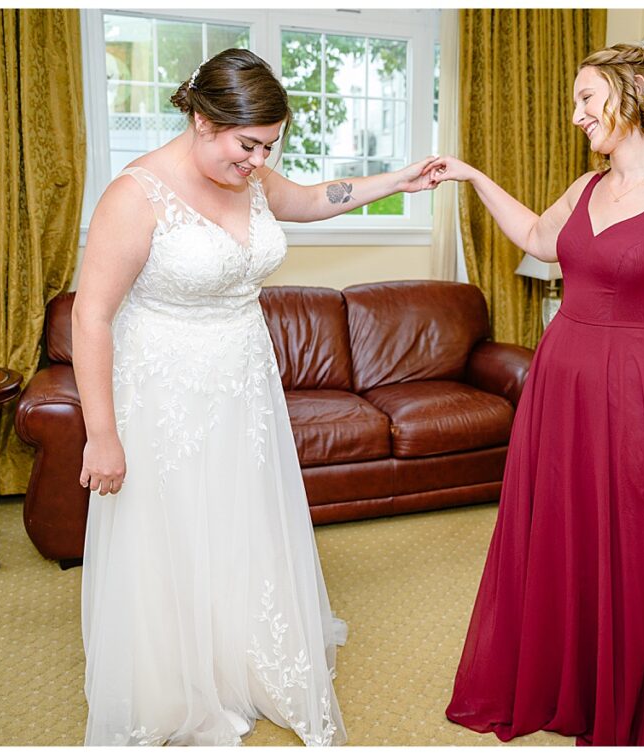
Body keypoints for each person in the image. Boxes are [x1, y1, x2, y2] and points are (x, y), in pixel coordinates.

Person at [72, 48, 436, 746]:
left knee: (240, 517)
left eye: (271, 145)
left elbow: (316, 200)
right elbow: (91, 317)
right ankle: (177, 679)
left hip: (243, 378)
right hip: (165, 389)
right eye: (248, 144)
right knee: (173, 526)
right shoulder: (135, 194)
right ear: (203, 121)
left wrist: (401, 179)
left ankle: (243, 651)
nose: (259, 160)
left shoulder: (254, 175)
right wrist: (103, 433)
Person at [429, 43, 644, 745]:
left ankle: (622, 700)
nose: (576, 115)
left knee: (630, 548)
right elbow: (538, 236)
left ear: (630, 97)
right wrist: (472, 176)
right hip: (560, 392)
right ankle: (563, 681)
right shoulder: (586, 188)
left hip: (639, 400)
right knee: (563, 537)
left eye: (587, 99)